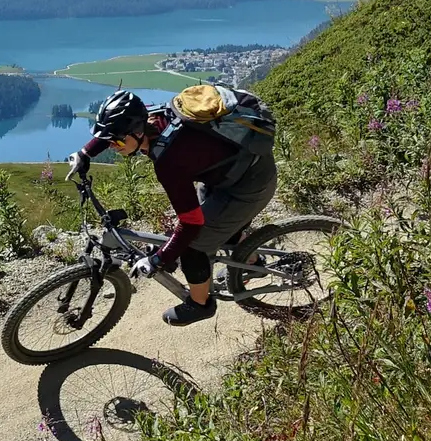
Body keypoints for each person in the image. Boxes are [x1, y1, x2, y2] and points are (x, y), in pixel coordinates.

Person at [66, 89, 278, 325]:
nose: (114, 146)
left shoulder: (168, 162)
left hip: (249, 184)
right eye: (110, 141)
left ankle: (200, 305)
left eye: (116, 141)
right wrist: (85, 153)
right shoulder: (154, 118)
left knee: (193, 245)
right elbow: (115, 130)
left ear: (136, 132)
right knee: (218, 228)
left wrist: (157, 260)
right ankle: (252, 264)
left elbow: (190, 223)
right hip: (234, 170)